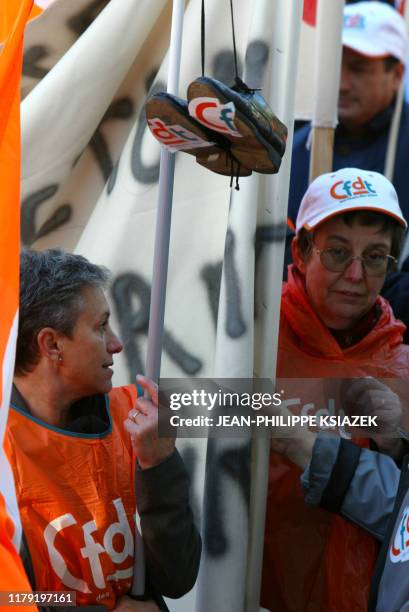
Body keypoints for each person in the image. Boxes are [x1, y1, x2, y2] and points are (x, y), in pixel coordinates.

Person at [5, 249, 201, 611]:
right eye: (100, 326)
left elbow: (178, 577)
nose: (117, 343)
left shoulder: (134, 418)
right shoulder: (5, 449)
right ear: (52, 345)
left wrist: (159, 468)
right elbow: (10, 596)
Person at [260, 167, 409, 612]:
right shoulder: (251, 341)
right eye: (338, 253)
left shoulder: (400, 362)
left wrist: (395, 449)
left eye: (376, 256)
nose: (357, 274)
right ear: (301, 253)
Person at [288, 2, 409, 226]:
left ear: (397, 75)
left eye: (357, 68)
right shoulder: (292, 151)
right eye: (333, 65)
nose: (341, 84)